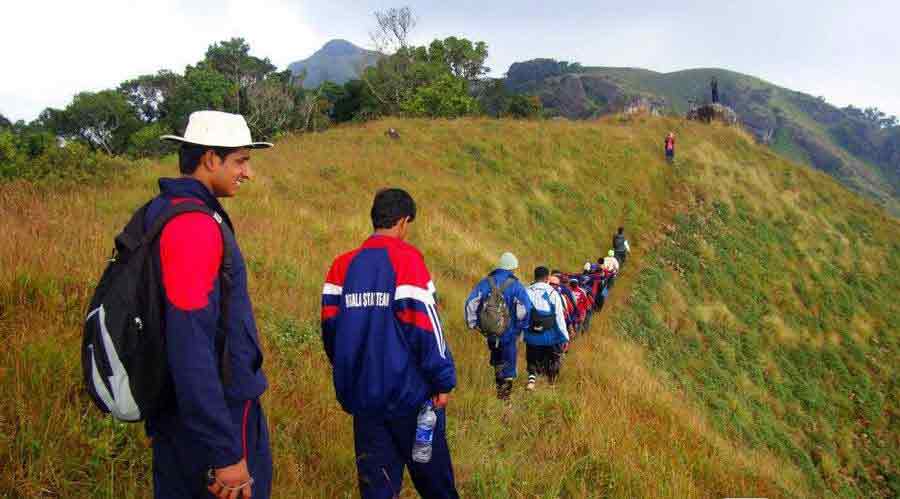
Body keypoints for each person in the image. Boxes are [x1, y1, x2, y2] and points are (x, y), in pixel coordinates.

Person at [149, 110, 273, 499]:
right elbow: (189, 343)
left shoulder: (163, 211)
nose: (247, 173)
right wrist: (225, 452)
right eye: (240, 160)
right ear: (209, 159)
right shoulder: (194, 226)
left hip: (180, 411)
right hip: (218, 416)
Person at [322, 188, 459, 499]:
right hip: (412, 400)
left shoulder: (341, 267)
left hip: (364, 401)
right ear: (403, 221)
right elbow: (426, 327)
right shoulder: (407, 260)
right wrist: (443, 380)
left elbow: (331, 333)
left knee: (377, 489)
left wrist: (352, 375)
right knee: (436, 484)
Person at [465, 252, 531, 400]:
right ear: (512, 268)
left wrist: (473, 324)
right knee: (509, 362)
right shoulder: (516, 286)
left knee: (497, 359)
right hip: (509, 333)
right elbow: (525, 310)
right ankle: (504, 398)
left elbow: (471, 303)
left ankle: (498, 387)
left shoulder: (485, 282)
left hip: (490, 332)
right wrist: (521, 328)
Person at [523, 267, 569, 390]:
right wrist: (565, 337)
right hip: (549, 335)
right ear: (547, 278)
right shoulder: (553, 293)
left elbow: (520, 313)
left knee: (532, 355)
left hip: (531, 334)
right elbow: (559, 318)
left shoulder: (526, 291)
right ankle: (551, 384)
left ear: (535, 276)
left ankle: (531, 380)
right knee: (553, 358)